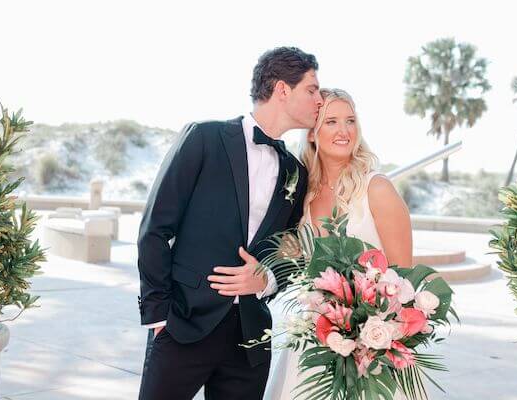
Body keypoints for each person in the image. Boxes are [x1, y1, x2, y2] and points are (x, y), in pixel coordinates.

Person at [137, 46, 323, 400]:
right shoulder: (204, 139)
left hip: (250, 339)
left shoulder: (295, 173)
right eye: (311, 89)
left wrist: (266, 279)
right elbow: (154, 230)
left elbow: (291, 250)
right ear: (283, 89)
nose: (318, 100)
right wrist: (159, 316)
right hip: (183, 326)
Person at [270, 88, 413, 400]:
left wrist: (371, 333)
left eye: (350, 120)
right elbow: (286, 261)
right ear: (311, 132)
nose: (344, 130)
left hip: (373, 346)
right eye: (331, 121)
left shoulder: (377, 188)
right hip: (312, 343)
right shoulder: (300, 196)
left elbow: (405, 280)